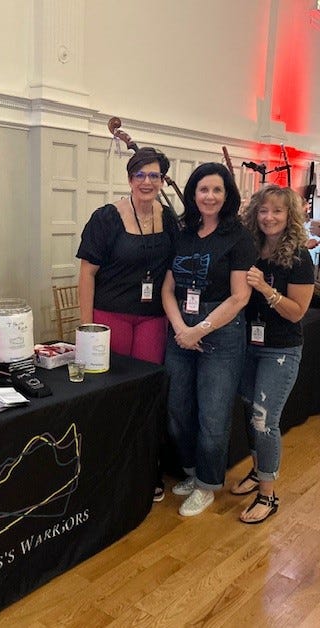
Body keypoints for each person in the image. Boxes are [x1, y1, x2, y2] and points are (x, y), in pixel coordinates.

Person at [76, 146, 180, 502]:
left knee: (148, 393)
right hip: (110, 316)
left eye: (154, 175)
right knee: (114, 392)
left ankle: (146, 468)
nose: (147, 182)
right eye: (140, 175)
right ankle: (110, 468)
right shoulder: (106, 218)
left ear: (162, 180)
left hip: (152, 318)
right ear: (130, 178)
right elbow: (87, 274)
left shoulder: (171, 220)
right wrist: (85, 329)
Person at [161, 162, 255, 517]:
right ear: (193, 193)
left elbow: (239, 297)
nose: (210, 196)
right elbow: (168, 289)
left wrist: (199, 329)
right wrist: (181, 329)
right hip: (181, 328)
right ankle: (191, 471)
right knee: (177, 409)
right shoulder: (183, 232)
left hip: (221, 332)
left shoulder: (238, 236)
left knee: (213, 417)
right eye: (203, 189)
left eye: (217, 190)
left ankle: (207, 484)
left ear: (227, 194)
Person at [231, 185, 314, 524]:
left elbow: (297, 312)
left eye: (277, 211)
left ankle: (269, 494)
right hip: (248, 344)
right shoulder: (250, 247)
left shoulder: (299, 256)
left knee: (265, 421)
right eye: (263, 211)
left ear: (289, 215)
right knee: (251, 412)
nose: (269, 217)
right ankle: (257, 471)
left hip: (280, 350)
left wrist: (265, 288)